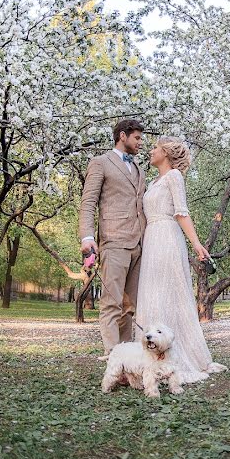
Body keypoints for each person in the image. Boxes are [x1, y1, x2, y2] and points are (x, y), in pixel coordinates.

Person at [133, 136, 226, 384]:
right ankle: (150, 358)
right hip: (151, 238)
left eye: (155, 148)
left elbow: (181, 213)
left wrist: (197, 245)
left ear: (167, 152)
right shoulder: (154, 181)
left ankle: (176, 358)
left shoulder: (174, 177)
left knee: (167, 294)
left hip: (167, 237)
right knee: (152, 294)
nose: (150, 151)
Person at [78, 119, 146, 357]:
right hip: (114, 241)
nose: (140, 143)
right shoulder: (100, 163)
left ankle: (127, 359)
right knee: (111, 304)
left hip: (139, 243)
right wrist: (87, 236)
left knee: (129, 307)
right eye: (137, 138)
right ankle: (113, 359)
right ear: (122, 136)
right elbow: (88, 202)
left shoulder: (140, 169)